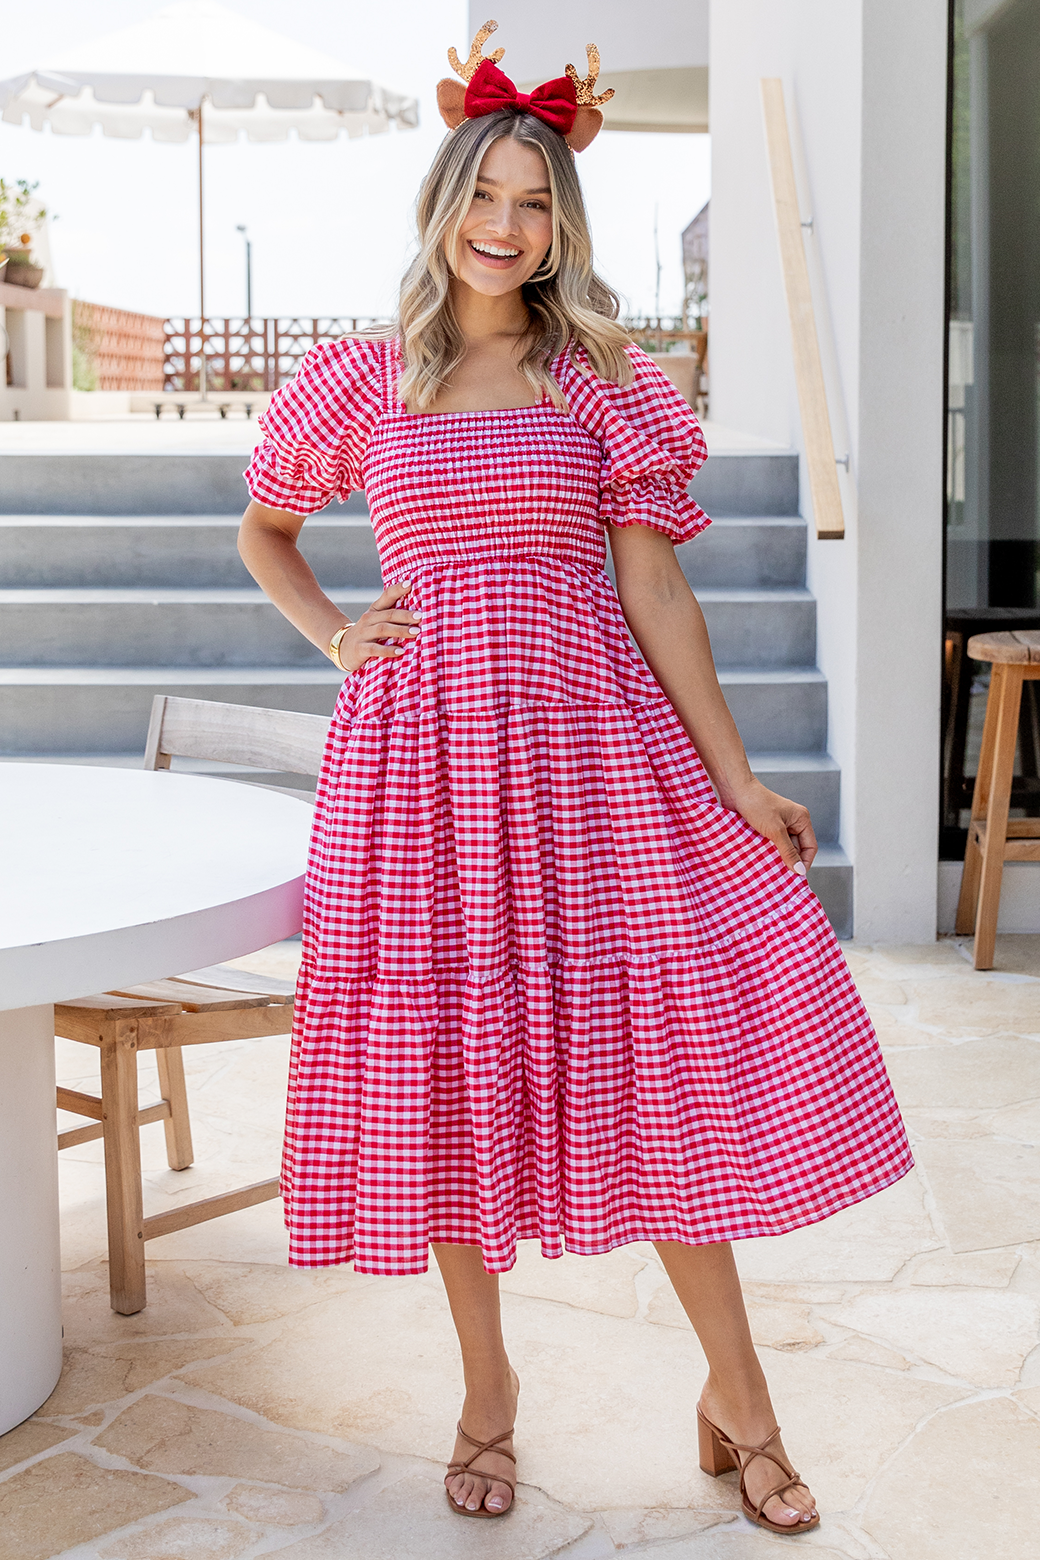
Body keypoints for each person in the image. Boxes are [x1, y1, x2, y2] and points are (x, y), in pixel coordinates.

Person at [238, 22, 911, 1535]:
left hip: (589, 752)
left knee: (660, 1071)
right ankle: (487, 1396)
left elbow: (656, 590)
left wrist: (736, 777)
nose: (507, 224)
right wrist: (340, 632)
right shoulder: (359, 381)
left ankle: (741, 1397)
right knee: (447, 1081)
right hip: (420, 768)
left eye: (536, 202)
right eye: (487, 193)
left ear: (563, 226)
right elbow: (265, 531)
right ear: (444, 203)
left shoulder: (601, 377)